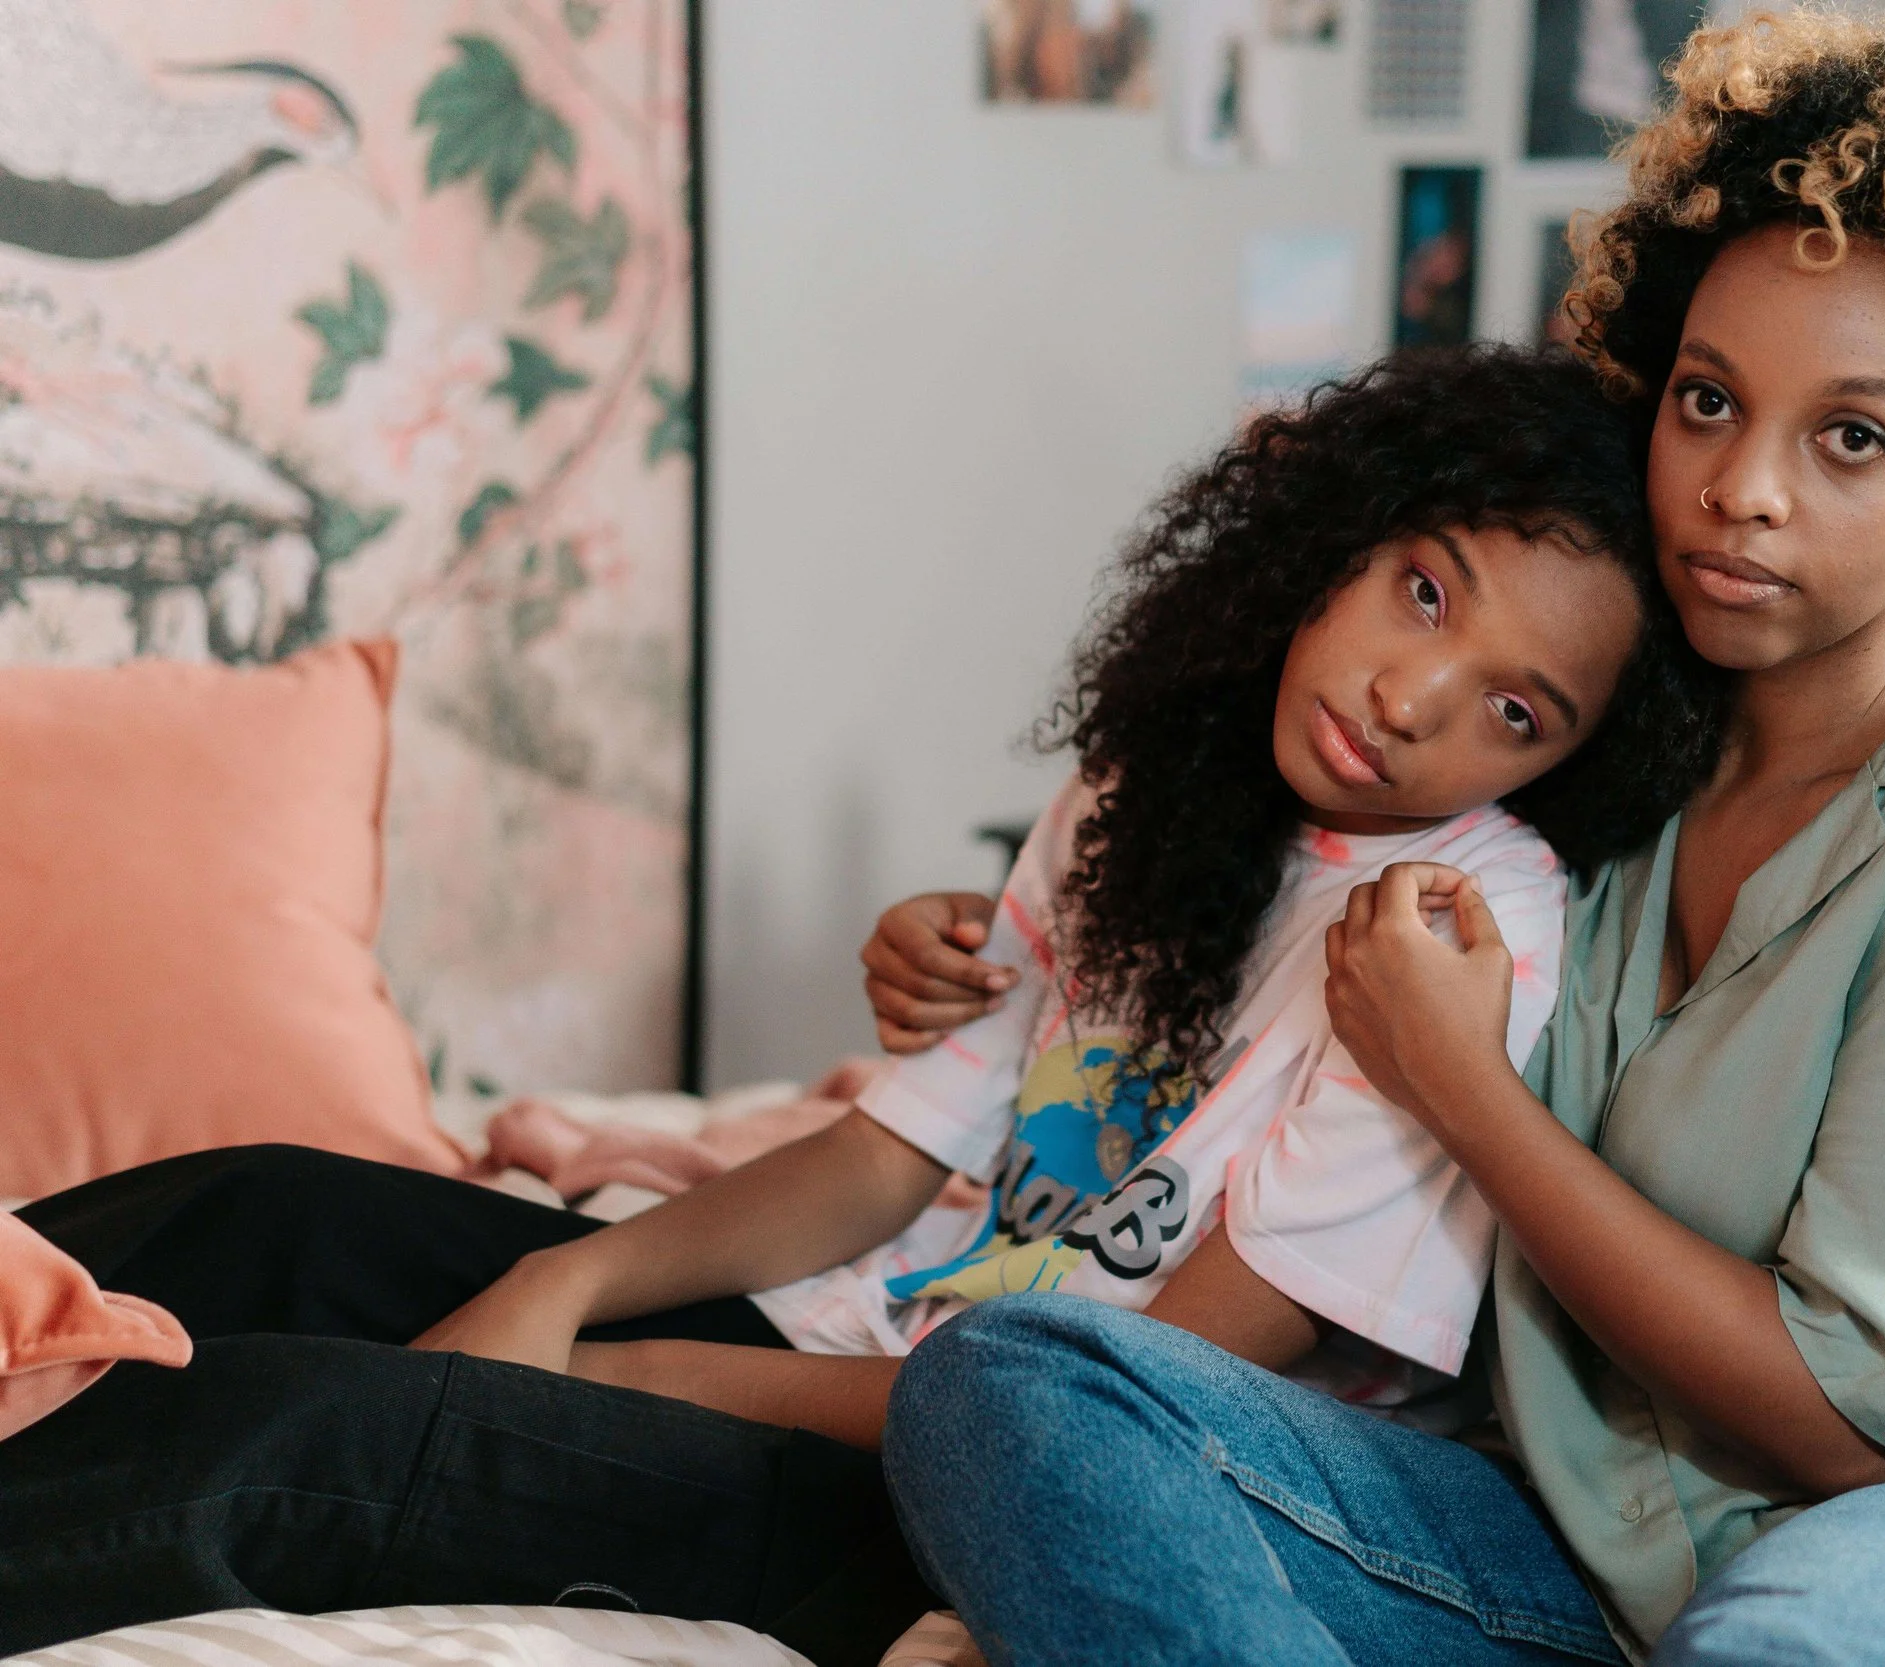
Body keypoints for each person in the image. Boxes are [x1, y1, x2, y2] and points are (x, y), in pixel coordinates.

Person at [861, 12, 1885, 1666]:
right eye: (1709, 400)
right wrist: (1001, 947)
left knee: (1790, 1643)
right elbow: (1268, 900)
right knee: (1011, 1382)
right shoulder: (1593, 750)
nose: (1743, 488)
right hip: (1588, 1545)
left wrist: (1467, 1088)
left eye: (1853, 437)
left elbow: (1855, 1433)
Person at [0, 347, 1723, 1659]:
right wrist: (564, 1267)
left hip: (972, 1488)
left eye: (1517, 709)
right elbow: (895, 1160)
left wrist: (623, 1368)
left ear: (1570, 763)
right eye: (1424, 588)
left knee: (310, 1438)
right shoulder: (1163, 789)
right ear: (1341, 541)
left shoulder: (1454, 937)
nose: (1416, 697)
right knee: (269, 1206)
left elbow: (1127, 1401)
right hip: (857, 1339)